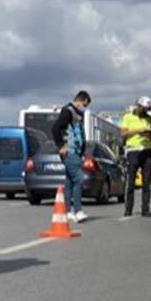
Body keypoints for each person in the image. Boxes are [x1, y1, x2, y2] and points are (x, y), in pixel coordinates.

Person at [49, 91, 93, 223]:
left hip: (76, 152)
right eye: (84, 105)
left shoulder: (77, 113)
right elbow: (55, 128)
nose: (84, 108)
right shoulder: (68, 111)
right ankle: (78, 210)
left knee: (69, 181)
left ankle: (68, 211)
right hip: (70, 152)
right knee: (79, 179)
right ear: (80, 100)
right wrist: (61, 146)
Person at [121, 96, 151, 217]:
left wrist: (150, 135)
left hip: (146, 150)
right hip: (133, 151)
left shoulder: (149, 119)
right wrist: (138, 131)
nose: (145, 112)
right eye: (144, 109)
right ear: (139, 106)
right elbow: (123, 133)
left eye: (147, 109)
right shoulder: (128, 117)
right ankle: (128, 209)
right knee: (130, 182)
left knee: (147, 182)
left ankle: (145, 209)